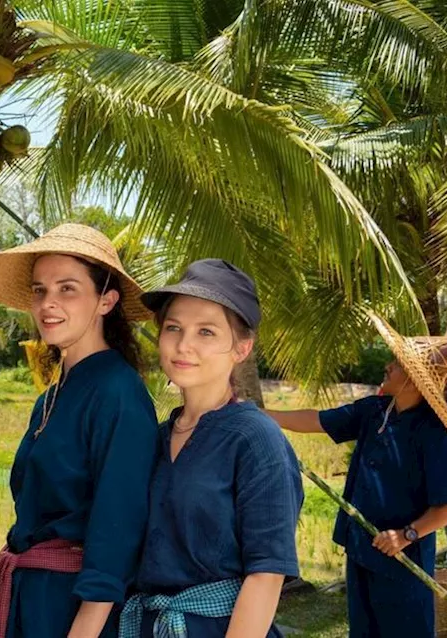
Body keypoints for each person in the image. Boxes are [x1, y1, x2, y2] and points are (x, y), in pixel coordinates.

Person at [0, 223, 160, 638]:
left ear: (106, 300)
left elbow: (119, 525)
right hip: (30, 594)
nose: (47, 304)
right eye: (40, 290)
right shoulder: (52, 396)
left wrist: (84, 630)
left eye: (67, 289)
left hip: (74, 608)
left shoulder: (119, 392)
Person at [121, 258, 303, 638]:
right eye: (174, 328)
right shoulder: (153, 439)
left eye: (206, 332)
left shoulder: (257, 439)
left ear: (241, 348)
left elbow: (266, 576)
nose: (184, 345)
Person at [265, 314, 447, 637]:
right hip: (362, 551)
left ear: (414, 382)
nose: (388, 366)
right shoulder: (374, 411)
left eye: (397, 364)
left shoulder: (434, 436)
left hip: (402, 563)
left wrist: (407, 535)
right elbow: (318, 420)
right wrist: (263, 415)